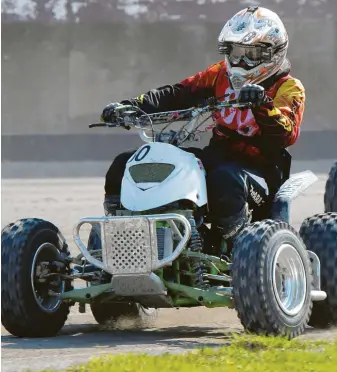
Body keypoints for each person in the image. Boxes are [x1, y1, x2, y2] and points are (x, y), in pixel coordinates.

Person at [100, 6, 306, 253]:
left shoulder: (289, 88)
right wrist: (131, 106)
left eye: (250, 53)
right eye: (235, 52)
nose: (241, 61)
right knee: (126, 164)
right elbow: (179, 93)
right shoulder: (219, 74)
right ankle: (124, 235)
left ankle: (235, 251)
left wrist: (262, 105)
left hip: (261, 169)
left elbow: (285, 133)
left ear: (273, 52)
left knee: (224, 180)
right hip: (217, 156)